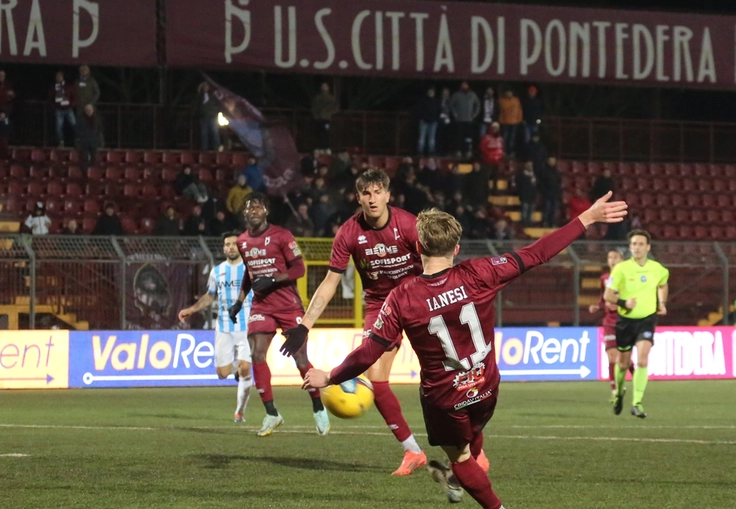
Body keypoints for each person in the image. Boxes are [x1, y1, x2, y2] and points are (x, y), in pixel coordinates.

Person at [302, 192, 627, 509]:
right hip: (486, 389)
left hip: (445, 400)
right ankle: (468, 466)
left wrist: (329, 376)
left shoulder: (402, 297)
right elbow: (538, 252)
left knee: (459, 457)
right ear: (456, 247)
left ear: (418, 247)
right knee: (472, 435)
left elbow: (369, 351)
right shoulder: (480, 272)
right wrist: (588, 217)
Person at [297, 169, 430, 476]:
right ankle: (413, 452)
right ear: (358, 198)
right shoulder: (348, 233)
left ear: (388, 195)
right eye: (366, 194)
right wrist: (305, 324)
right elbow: (331, 281)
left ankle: (474, 449)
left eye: (377, 192)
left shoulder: (409, 225)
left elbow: (434, 265)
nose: (372, 199)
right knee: (378, 380)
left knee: (442, 375)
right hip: (381, 307)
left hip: (417, 301)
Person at [229, 192, 328, 437]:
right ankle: (272, 413)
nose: (253, 211)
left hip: (288, 305)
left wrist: (272, 279)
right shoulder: (242, 241)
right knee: (257, 352)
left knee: (300, 359)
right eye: (249, 208)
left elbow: (299, 268)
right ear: (244, 213)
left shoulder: (282, 235)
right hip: (262, 307)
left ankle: (318, 406)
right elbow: (249, 275)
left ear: (266, 212)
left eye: (258, 207)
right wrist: (239, 302)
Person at [177, 232, 254, 422]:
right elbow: (210, 296)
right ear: (223, 248)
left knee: (246, 368)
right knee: (222, 373)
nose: (230, 247)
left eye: (234, 244)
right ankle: (236, 370)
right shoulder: (217, 271)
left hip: (247, 326)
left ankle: (239, 412)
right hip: (223, 327)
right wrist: (192, 309)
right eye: (227, 244)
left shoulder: (249, 269)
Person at [604, 229, 669, 419]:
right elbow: (608, 295)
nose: (637, 248)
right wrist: (624, 303)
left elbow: (663, 284)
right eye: (633, 244)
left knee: (642, 360)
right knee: (623, 364)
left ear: (648, 247)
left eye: (640, 244)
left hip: (647, 320)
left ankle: (637, 403)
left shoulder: (658, 269)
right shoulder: (621, 269)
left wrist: (662, 303)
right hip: (625, 321)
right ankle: (619, 394)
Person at [588, 249, 632, 402]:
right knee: (612, 355)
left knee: (625, 359)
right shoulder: (605, 278)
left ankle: (638, 381)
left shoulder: (628, 278)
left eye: (615, 257)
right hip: (609, 322)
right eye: (610, 257)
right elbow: (603, 297)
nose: (612, 260)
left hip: (625, 321)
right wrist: (598, 306)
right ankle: (615, 391)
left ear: (622, 259)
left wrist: (622, 305)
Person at [449, 82, 481, 159]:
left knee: (469, 137)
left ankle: (468, 151)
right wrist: (455, 114)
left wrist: (475, 114)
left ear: (468, 86)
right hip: (459, 120)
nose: (464, 86)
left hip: (469, 120)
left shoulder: (472, 95)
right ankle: (458, 151)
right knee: (458, 137)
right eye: (463, 85)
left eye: (465, 85)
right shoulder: (456, 95)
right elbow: (451, 105)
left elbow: (478, 105)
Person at [51, 71, 77, 147]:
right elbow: (50, 98)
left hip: (68, 109)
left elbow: (74, 96)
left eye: (60, 76)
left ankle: (77, 141)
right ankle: (61, 142)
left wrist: (71, 104)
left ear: (62, 77)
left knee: (74, 125)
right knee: (58, 127)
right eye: (57, 77)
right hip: (59, 110)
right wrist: (54, 106)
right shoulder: (54, 87)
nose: (58, 78)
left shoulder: (68, 86)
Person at [76, 104, 104, 172]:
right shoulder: (81, 119)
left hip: (94, 142)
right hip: (84, 142)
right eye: (88, 110)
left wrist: (100, 141)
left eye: (90, 110)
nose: (89, 112)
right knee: (84, 158)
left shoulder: (96, 119)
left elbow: (100, 130)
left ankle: (93, 171)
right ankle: (85, 172)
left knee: (94, 158)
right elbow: (78, 131)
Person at [415, 86, 442, 156]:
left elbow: (439, 111)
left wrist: (436, 120)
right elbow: (419, 110)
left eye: (432, 91)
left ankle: (431, 151)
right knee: (422, 137)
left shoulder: (437, 101)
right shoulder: (423, 101)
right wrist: (421, 118)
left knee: (432, 138)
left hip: (433, 122)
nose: (431, 93)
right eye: (429, 91)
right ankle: (420, 151)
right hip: (424, 121)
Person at [311, 82, 338, 150]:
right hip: (322, 119)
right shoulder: (320, 98)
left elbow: (335, 108)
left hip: (324, 119)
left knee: (324, 133)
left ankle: (324, 148)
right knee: (322, 133)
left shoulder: (329, 98)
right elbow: (314, 108)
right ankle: (323, 148)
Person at [497, 90, 523, 157]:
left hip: (514, 122)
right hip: (505, 122)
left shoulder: (516, 100)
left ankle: (511, 151)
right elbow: (500, 112)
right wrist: (501, 121)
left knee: (512, 138)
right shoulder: (502, 100)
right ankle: (504, 151)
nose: (508, 93)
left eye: (510, 92)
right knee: (505, 137)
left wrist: (519, 119)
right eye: (507, 92)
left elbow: (519, 110)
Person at [197, 82, 222, 151]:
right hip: (203, 117)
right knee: (204, 134)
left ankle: (216, 147)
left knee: (215, 133)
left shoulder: (212, 96)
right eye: (204, 86)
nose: (205, 88)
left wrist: (215, 112)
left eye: (207, 86)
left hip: (212, 117)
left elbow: (217, 104)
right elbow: (197, 106)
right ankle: (204, 149)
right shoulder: (199, 97)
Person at [514, 161, 538, 227]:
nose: (530, 167)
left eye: (531, 166)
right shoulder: (521, 175)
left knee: (531, 210)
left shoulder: (534, 175)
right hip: (524, 195)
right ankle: (524, 223)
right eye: (529, 165)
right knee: (525, 209)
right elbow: (519, 184)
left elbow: (536, 185)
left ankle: (529, 222)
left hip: (532, 196)